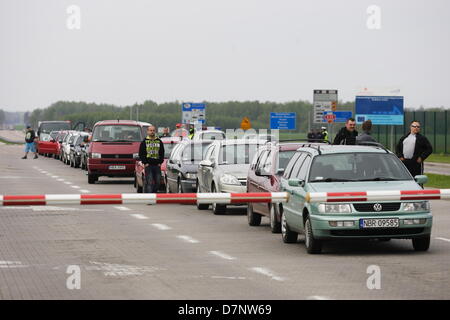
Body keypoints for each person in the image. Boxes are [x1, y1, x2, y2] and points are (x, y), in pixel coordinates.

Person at [139, 126, 165, 193]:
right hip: (148, 165)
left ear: (155, 131)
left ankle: (153, 194)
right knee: (149, 182)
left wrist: (160, 162)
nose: (152, 132)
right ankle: (150, 198)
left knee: (158, 182)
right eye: (150, 130)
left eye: (153, 130)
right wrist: (145, 163)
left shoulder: (159, 141)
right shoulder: (144, 142)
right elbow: (141, 153)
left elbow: (162, 153)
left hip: (157, 165)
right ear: (147, 132)